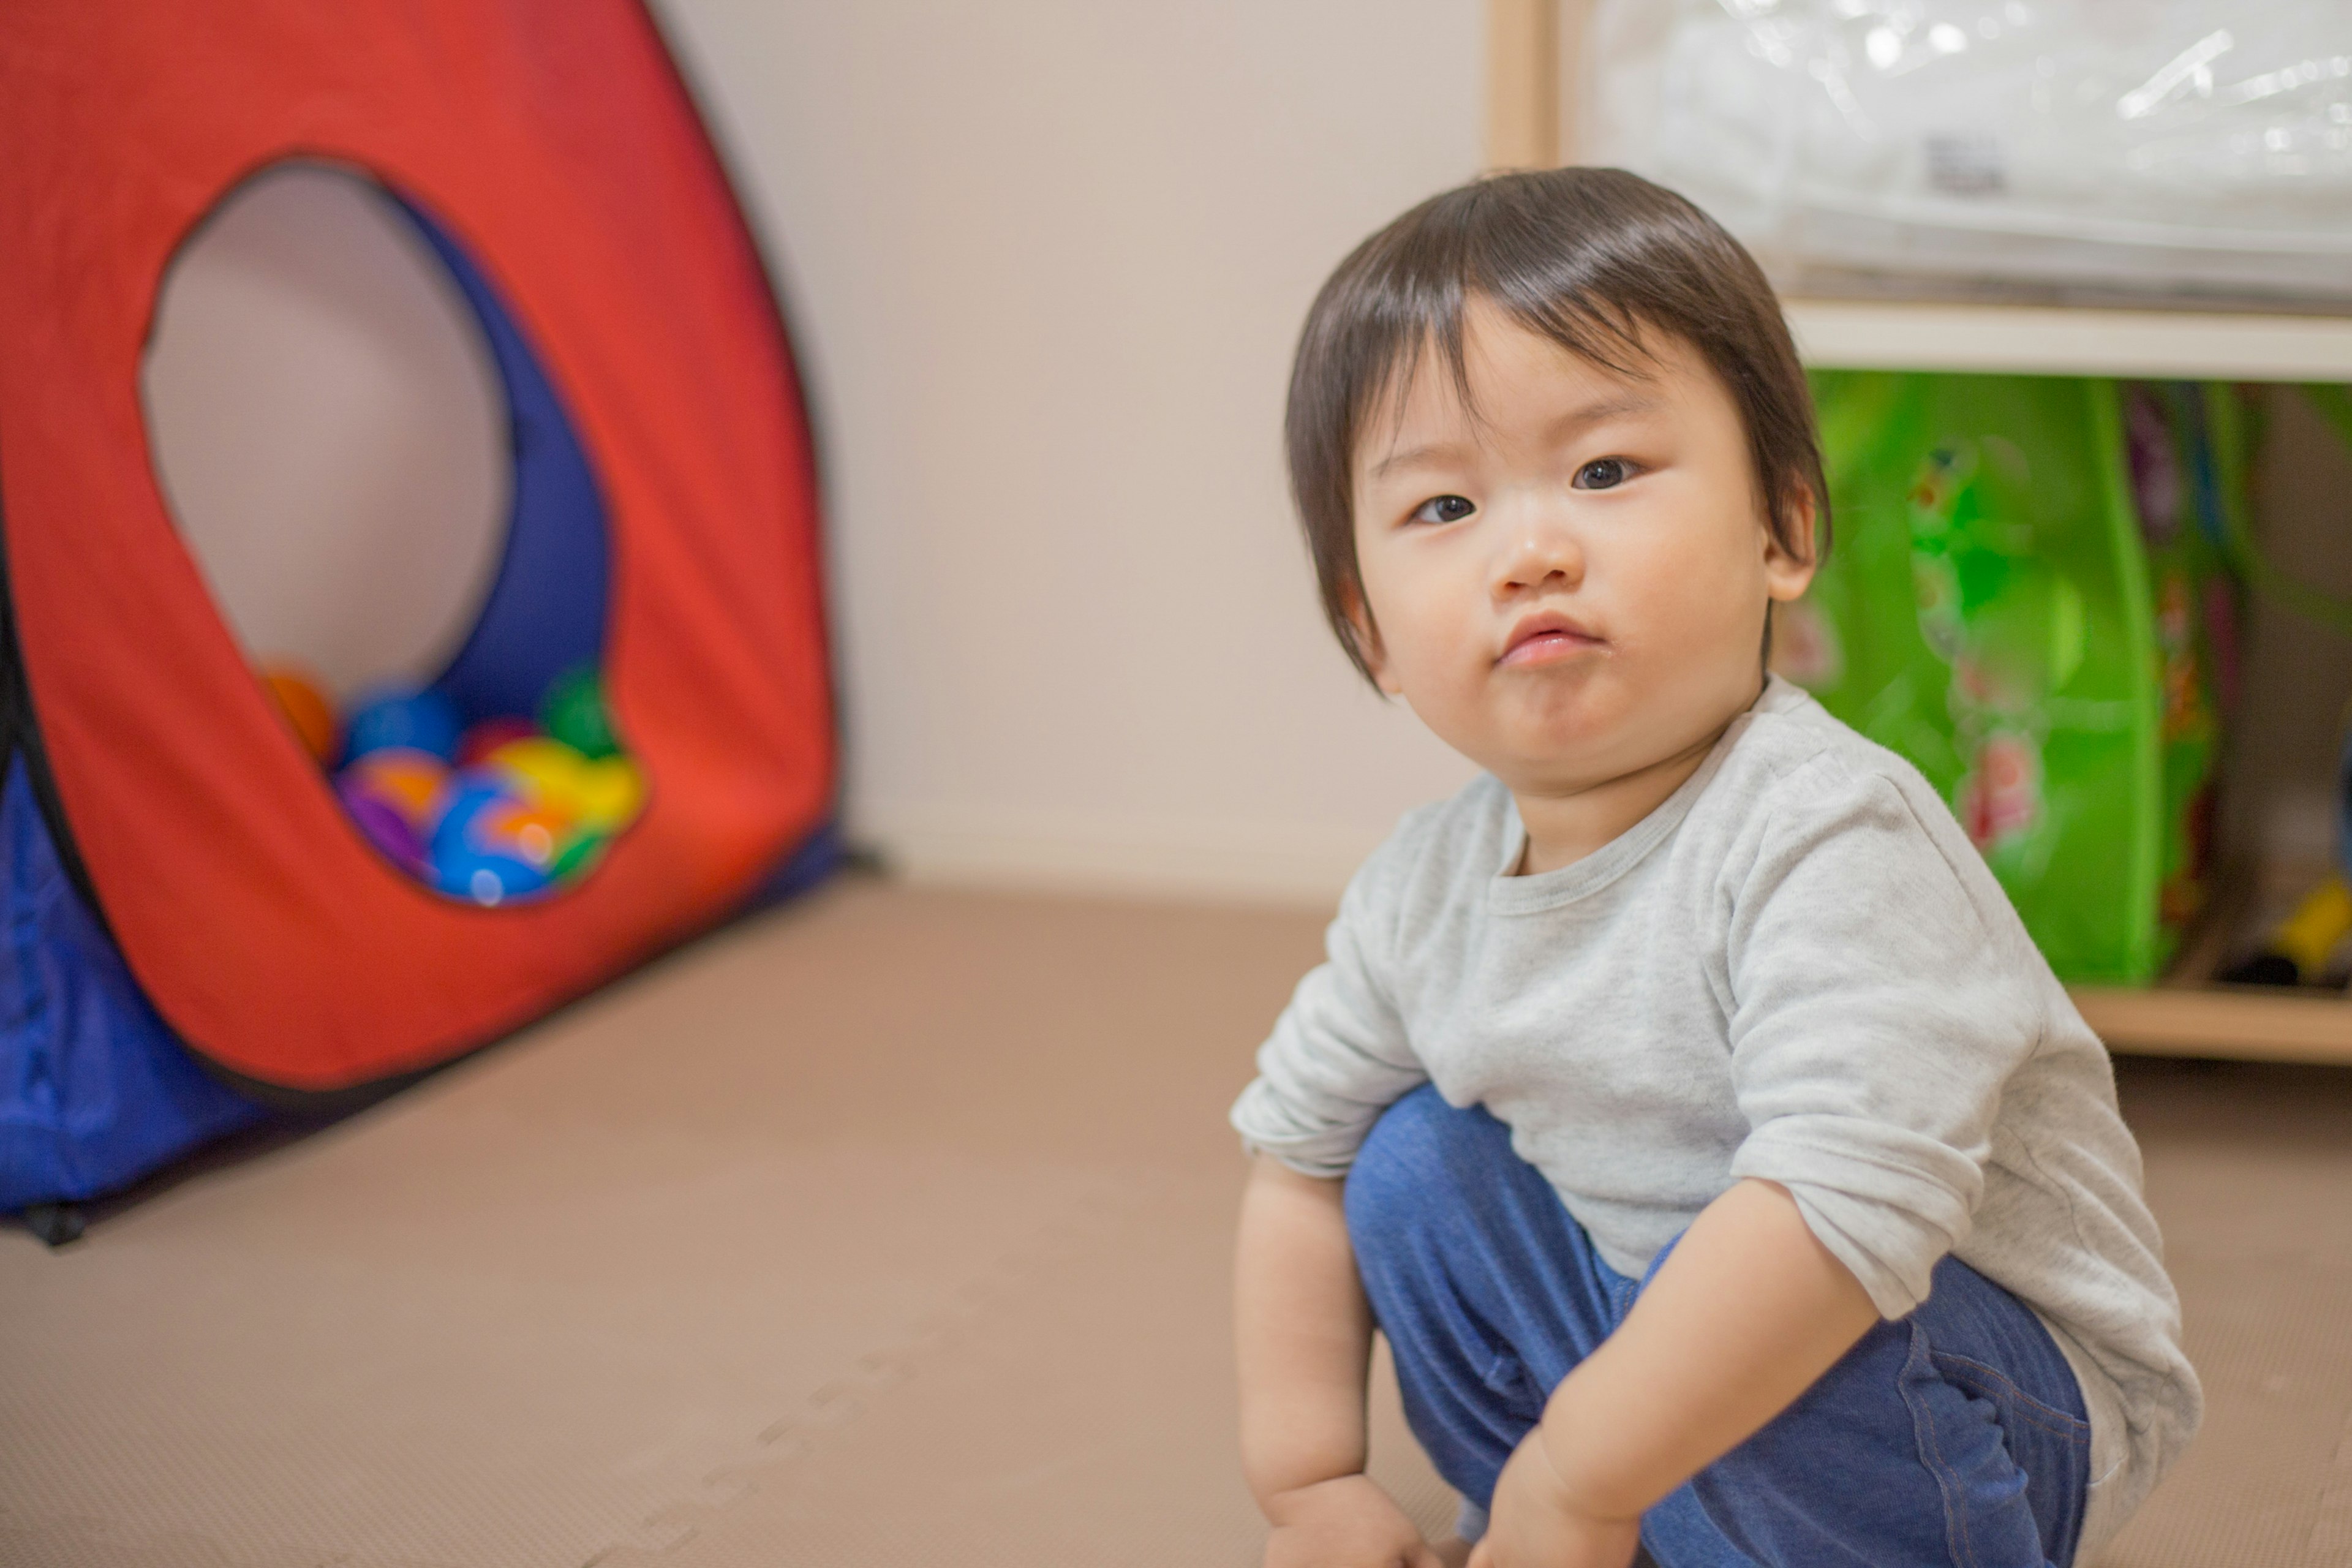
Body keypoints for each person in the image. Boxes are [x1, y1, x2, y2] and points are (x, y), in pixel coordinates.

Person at [1227, 168, 2198, 1568]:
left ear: (1782, 530)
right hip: (1644, 1366)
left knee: (1781, 1294)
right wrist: (1308, 1479)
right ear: (1366, 627)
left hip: (1967, 1385)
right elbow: (1294, 1166)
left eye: (1605, 471)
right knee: (1406, 1163)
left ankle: (1597, 1514)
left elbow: (1838, 1213)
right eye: (1444, 507)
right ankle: (1582, 1525)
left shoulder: (1826, 833)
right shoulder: (1420, 889)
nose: (1533, 552)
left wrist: (1580, 1474)